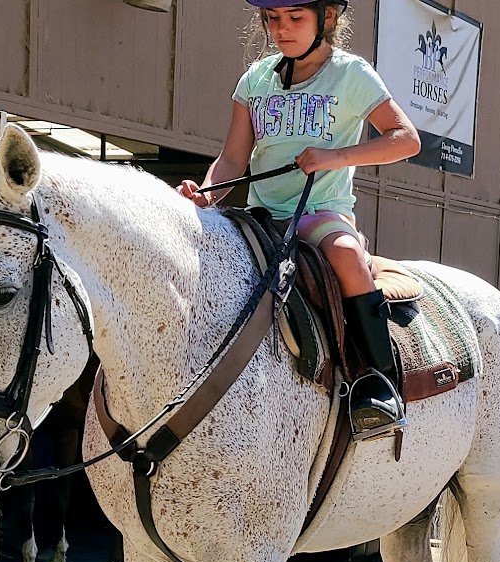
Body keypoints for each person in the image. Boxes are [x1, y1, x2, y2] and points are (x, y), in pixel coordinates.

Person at [178, 0, 422, 440]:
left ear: (327, 18)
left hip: (318, 214)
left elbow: (406, 139)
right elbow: (233, 158)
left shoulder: (352, 74)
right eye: (273, 19)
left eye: (295, 18)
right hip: (259, 216)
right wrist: (206, 193)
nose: (282, 29)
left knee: (347, 254)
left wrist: (336, 157)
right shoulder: (254, 81)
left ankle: (378, 383)